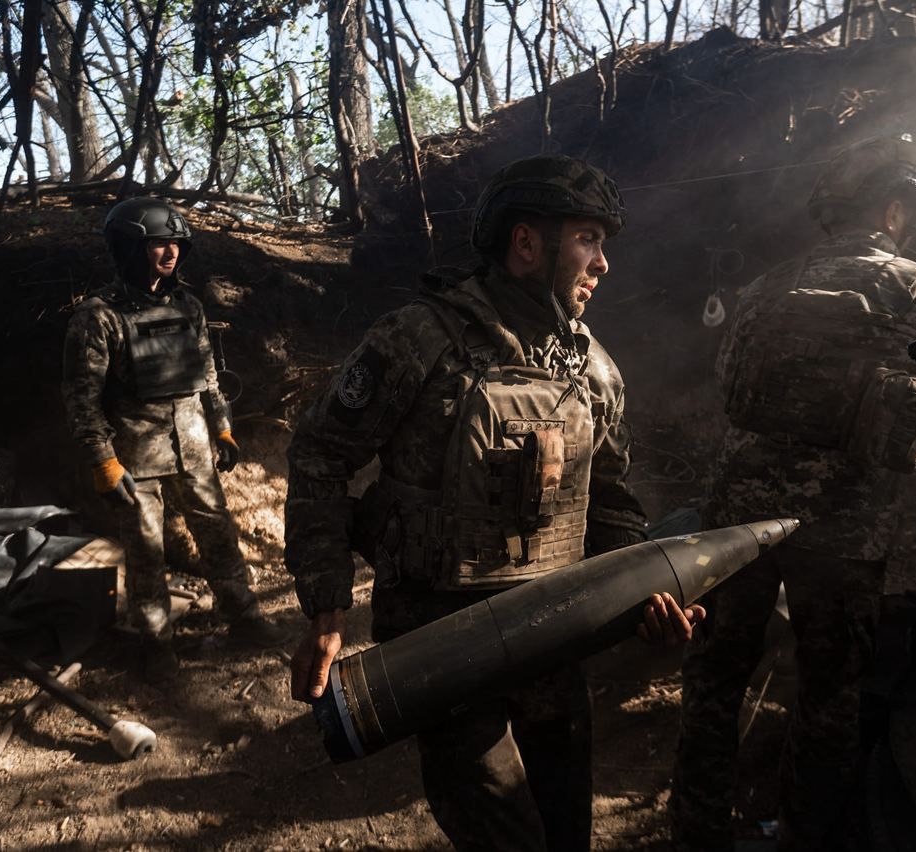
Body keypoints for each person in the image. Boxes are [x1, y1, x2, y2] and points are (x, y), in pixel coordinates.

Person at [285, 154, 704, 852]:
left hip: (553, 641)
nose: (603, 264)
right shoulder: (420, 340)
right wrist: (328, 608)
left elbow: (613, 504)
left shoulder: (594, 370)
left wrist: (647, 602)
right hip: (443, 649)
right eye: (588, 239)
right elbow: (321, 452)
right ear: (527, 242)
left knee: (566, 832)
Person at [669, 136, 916, 852]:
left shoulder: (766, 288)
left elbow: (727, 384)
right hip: (843, 535)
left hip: (733, 526)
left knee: (712, 688)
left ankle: (695, 836)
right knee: (828, 699)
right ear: (895, 210)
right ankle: (806, 837)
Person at [62, 198, 281, 684]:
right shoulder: (97, 317)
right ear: (130, 249)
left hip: (196, 446)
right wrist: (103, 460)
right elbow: (82, 400)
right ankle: (155, 644)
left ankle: (244, 617)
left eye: (176, 243)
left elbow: (207, 377)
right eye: (158, 243)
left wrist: (221, 425)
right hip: (134, 456)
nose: (171, 253)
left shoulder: (188, 305)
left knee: (219, 535)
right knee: (145, 552)